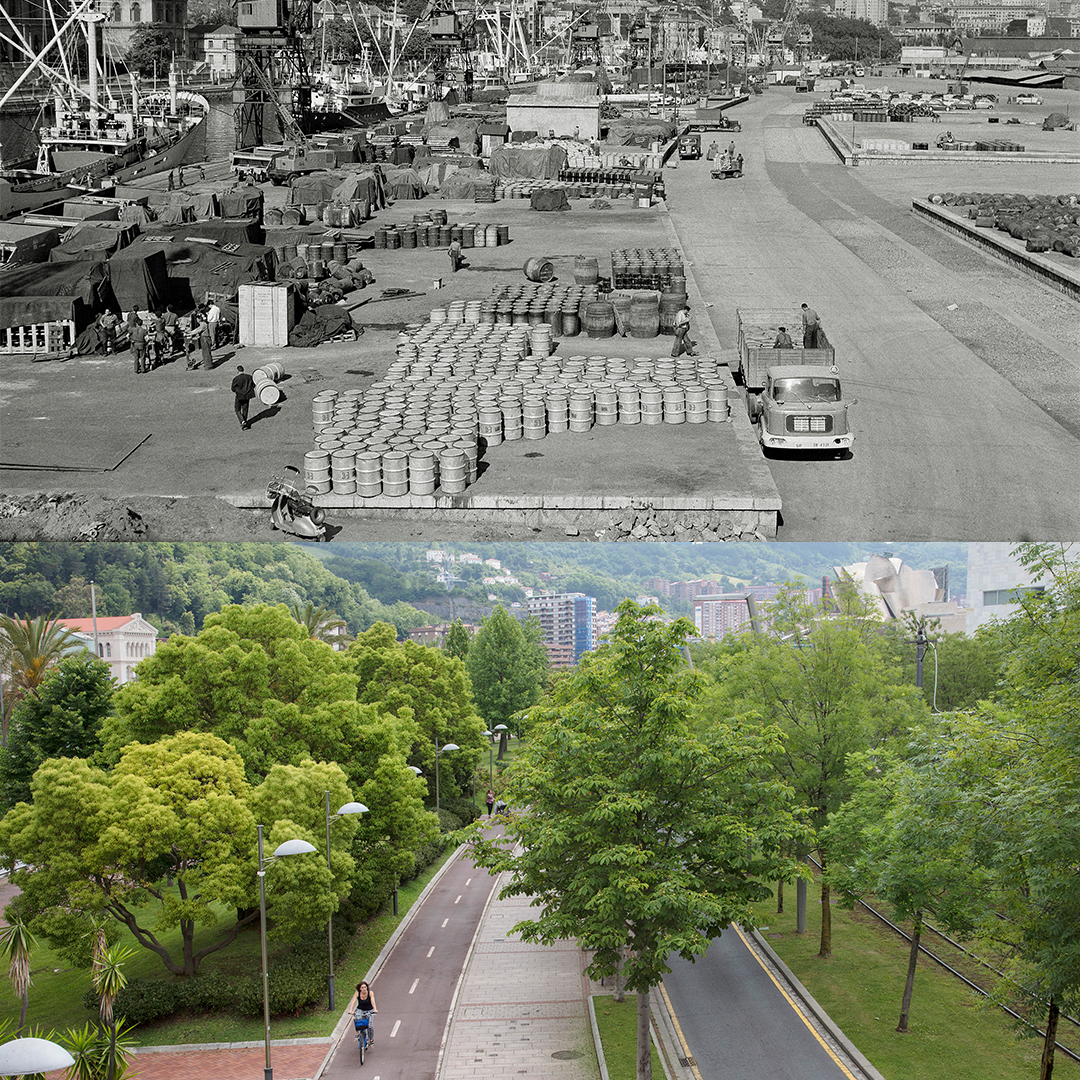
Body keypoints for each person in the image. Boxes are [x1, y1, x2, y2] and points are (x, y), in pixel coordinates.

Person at [350, 981, 378, 1046]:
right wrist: (351, 1010)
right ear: (360, 989)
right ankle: (357, 1034)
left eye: (365, 987)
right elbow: (353, 1002)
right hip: (360, 1009)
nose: (364, 989)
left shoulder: (370, 993)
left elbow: (372, 1001)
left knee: (370, 1026)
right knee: (357, 1019)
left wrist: (375, 1009)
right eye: (362, 988)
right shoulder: (357, 994)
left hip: (369, 1010)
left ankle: (371, 1040)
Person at [231, 365, 255, 430]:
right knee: (245, 409)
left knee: (237, 409)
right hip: (247, 396)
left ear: (237, 371)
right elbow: (253, 385)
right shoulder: (249, 377)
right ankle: (245, 424)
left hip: (239, 396)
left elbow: (233, 388)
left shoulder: (236, 379)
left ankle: (242, 421)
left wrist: (237, 391)